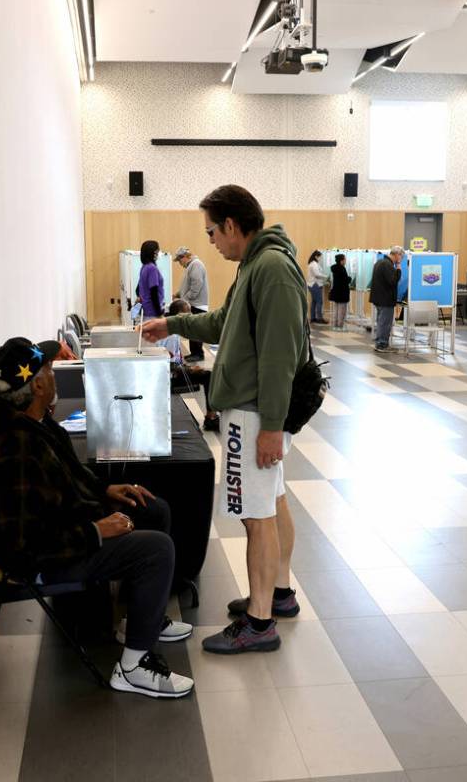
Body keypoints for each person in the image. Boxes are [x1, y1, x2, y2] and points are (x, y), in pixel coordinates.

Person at [0, 336, 195, 698]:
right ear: (38, 384)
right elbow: (24, 547)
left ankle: (139, 621)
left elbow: (69, 476)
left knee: (152, 509)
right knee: (157, 549)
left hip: (68, 528)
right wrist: (95, 531)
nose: (55, 375)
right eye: (49, 369)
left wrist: (105, 492)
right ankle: (133, 666)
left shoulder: (36, 424)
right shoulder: (15, 451)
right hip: (49, 559)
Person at [141, 184, 305, 655]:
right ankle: (278, 593)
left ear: (232, 225)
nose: (210, 240)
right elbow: (221, 323)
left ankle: (259, 622)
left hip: (256, 414)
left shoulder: (270, 269)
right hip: (256, 410)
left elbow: (279, 356)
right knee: (271, 504)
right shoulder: (255, 266)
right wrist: (171, 325)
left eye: (212, 231)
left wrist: (271, 426)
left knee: (256, 517)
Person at [159, 299, 220, 432]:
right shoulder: (171, 335)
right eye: (189, 312)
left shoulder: (168, 329)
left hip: (171, 372)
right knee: (207, 376)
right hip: (168, 378)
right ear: (180, 314)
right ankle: (211, 417)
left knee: (204, 373)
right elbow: (167, 365)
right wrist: (189, 369)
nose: (192, 314)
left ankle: (212, 414)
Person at [174, 247, 209, 361]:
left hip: (197, 304)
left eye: (179, 260)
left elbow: (196, 286)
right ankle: (194, 352)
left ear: (185, 257)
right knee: (191, 329)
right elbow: (187, 286)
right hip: (193, 303)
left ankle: (198, 354)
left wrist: (185, 300)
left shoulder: (196, 265)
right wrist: (177, 295)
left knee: (196, 330)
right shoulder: (191, 266)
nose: (179, 263)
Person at [370, 247, 403, 352]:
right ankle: (382, 344)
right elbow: (393, 281)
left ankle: (379, 342)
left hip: (379, 298)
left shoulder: (380, 262)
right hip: (385, 299)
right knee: (385, 322)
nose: (401, 259)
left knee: (381, 321)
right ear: (397, 255)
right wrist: (398, 269)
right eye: (401, 256)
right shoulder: (387, 265)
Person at [136, 240, 165, 319]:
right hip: (153, 313)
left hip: (146, 310)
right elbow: (153, 292)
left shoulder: (144, 267)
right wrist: (159, 312)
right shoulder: (152, 268)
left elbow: (137, 290)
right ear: (153, 253)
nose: (158, 253)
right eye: (157, 251)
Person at [329, 253, 351, 329]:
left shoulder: (334, 269)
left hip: (336, 291)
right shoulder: (342, 269)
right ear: (341, 261)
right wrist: (349, 279)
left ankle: (335, 324)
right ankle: (340, 325)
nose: (345, 261)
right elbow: (345, 280)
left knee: (336, 309)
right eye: (344, 259)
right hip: (342, 292)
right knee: (342, 310)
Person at [306, 250, 329, 324]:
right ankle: (320, 318)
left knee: (314, 302)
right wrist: (326, 277)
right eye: (320, 257)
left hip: (313, 284)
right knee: (319, 301)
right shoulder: (314, 264)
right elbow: (317, 274)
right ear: (316, 256)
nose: (320, 258)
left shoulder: (313, 263)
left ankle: (313, 318)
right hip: (315, 284)